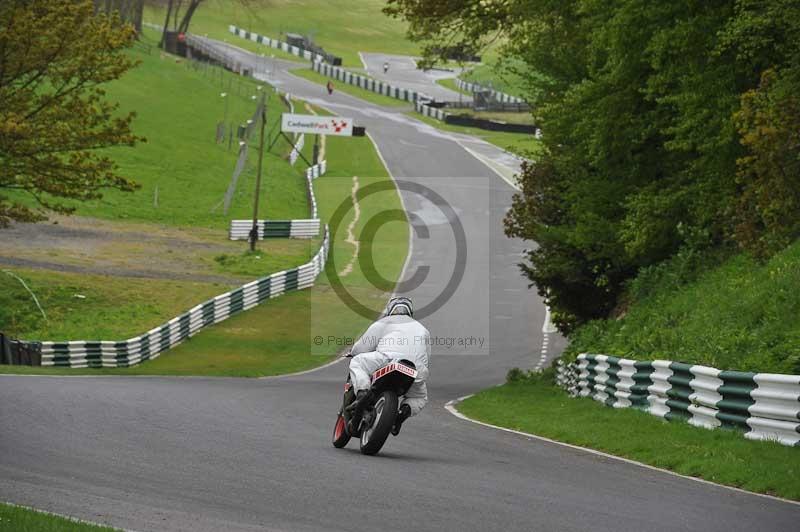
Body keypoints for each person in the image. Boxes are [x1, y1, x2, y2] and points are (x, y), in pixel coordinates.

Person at [346, 296, 429, 436]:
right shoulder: (423, 330)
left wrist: (352, 353)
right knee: (420, 398)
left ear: (390, 310)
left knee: (357, 362)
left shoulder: (384, 322)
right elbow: (426, 359)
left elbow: (361, 347)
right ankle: (400, 417)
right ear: (410, 312)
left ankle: (362, 393)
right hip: (416, 368)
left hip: (388, 359)